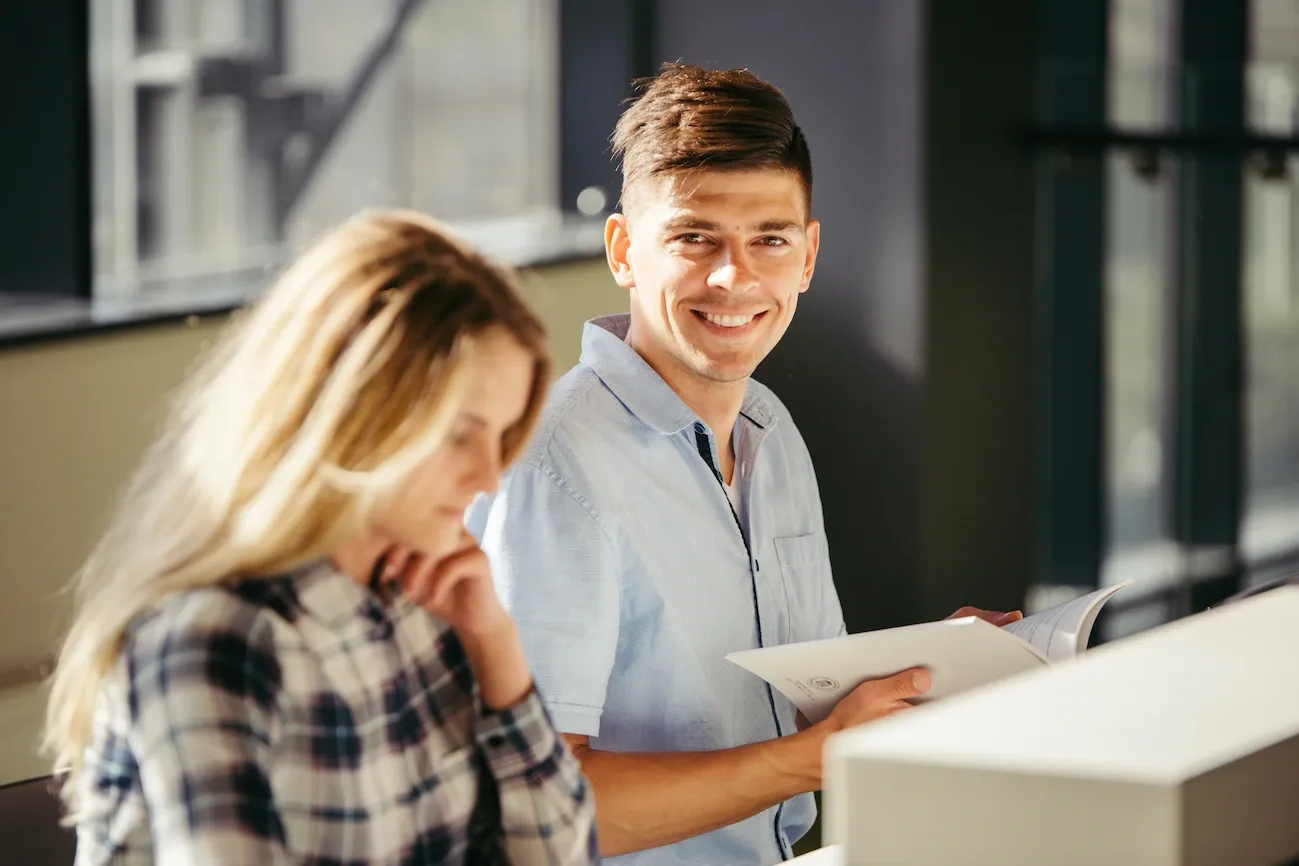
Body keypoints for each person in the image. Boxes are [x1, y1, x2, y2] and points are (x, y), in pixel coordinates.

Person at [466, 63, 1020, 865]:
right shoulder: (557, 464)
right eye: (695, 238)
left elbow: (786, 707)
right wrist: (816, 755)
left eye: (770, 239)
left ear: (808, 255)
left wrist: (925, 673)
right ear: (623, 250)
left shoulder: (769, 429)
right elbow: (540, 808)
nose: (736, 278)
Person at [44, 210, 600, 865]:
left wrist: (497, 651)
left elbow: (562, 856)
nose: (488, 477)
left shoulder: (426, 598)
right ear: (354, 414)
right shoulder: (218, 638)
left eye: (500, 436)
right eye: (457, 434)